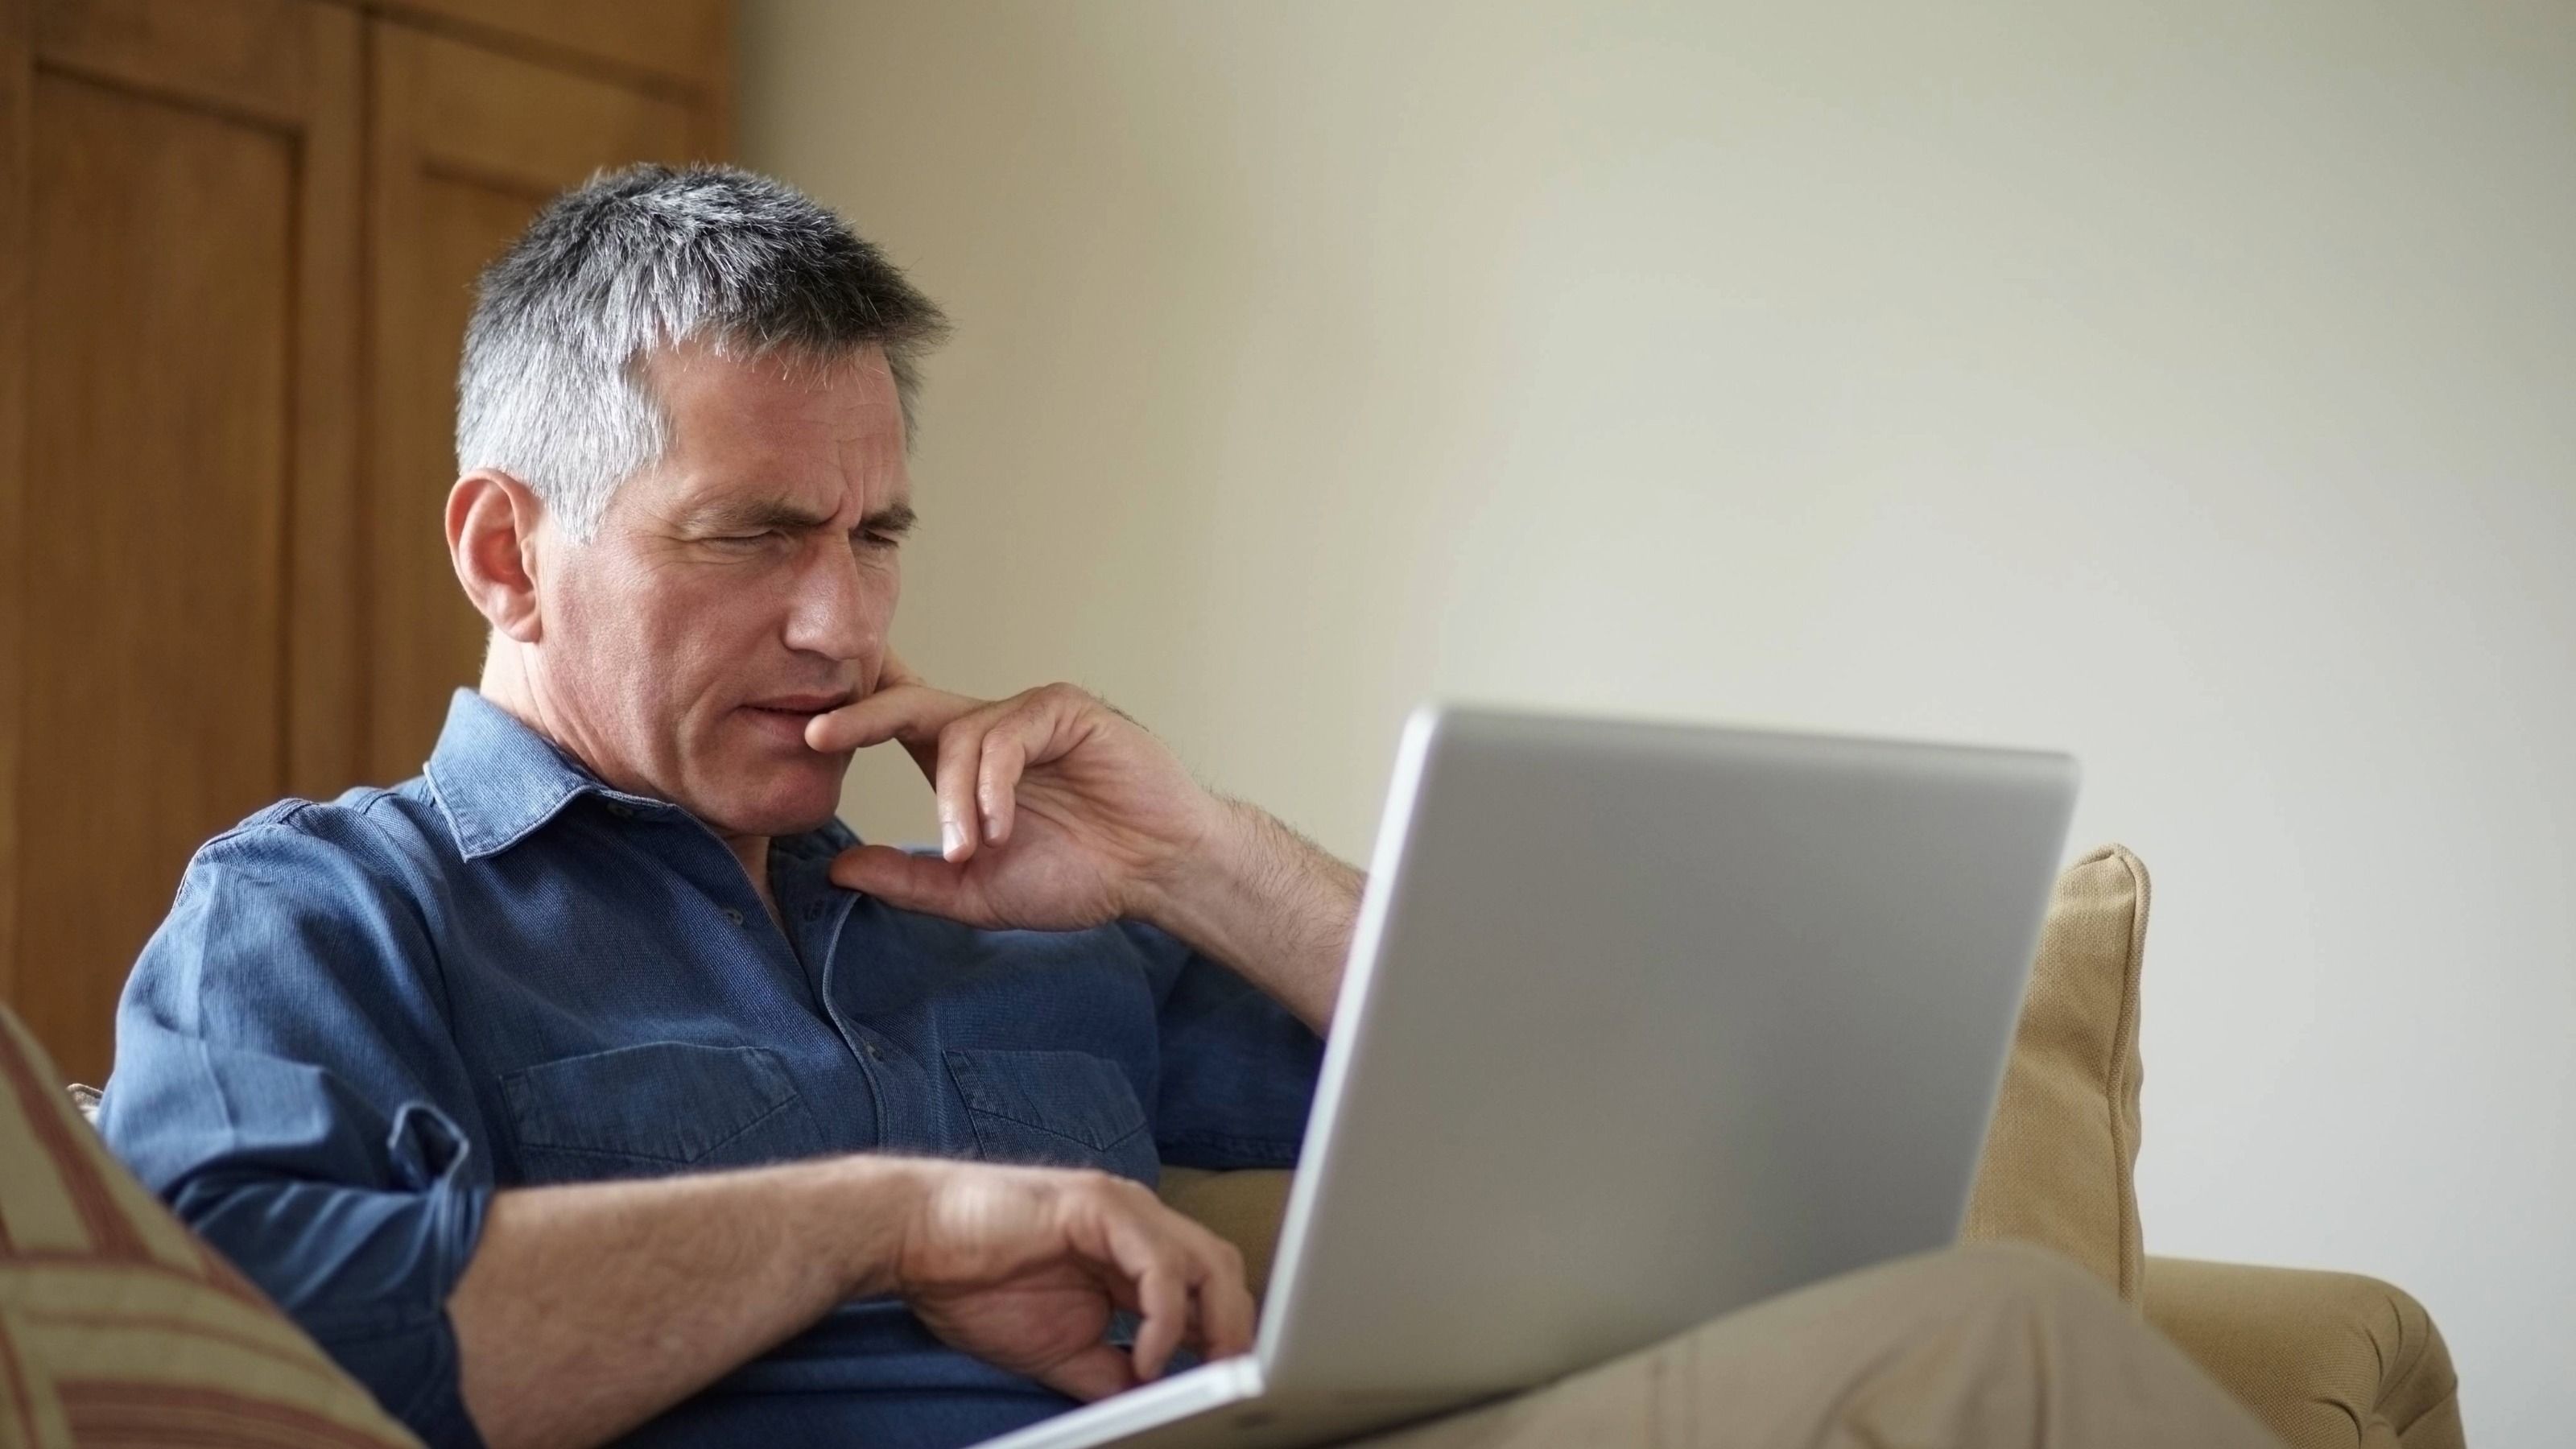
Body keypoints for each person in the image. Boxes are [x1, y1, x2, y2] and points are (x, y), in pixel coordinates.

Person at [99, 165, 2281, 1449]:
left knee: (1987, 1338)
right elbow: (230, 1349)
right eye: (755, 536)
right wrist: (885, 1219)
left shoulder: (1003, 890)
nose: (846, 625)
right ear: (505, 550)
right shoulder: (324, 913)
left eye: (881, 536)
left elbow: (1626, 1133)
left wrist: (1182, 861)